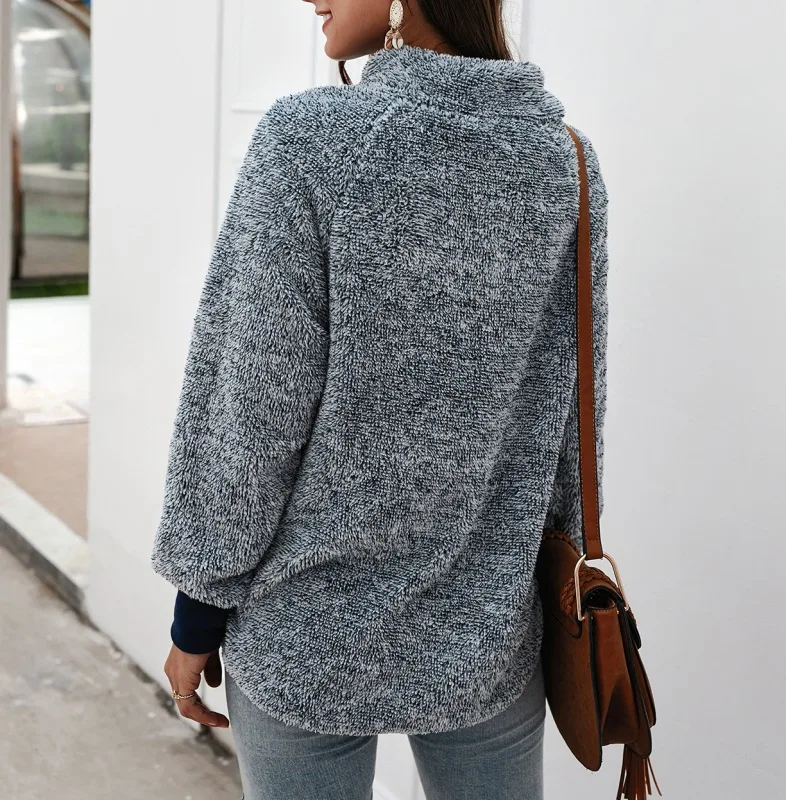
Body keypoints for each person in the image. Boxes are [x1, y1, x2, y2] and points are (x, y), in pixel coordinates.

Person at [150, 0, 610, 798]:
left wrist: (198, 613)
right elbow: (574, 414)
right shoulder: (565, 159)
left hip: (305, 635)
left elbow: (249, 410)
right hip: (490, 630)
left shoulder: (310, 141)